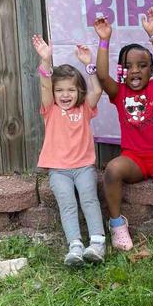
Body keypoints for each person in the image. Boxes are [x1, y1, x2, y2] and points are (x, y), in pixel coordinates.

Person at [93, 8, 153, 251]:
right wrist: (104, 39)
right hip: (134, 159)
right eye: (128, 66)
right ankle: (117, 224)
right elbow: (101, 75)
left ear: (151, 71)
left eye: (142, 66)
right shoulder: (118, 92)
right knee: (111, 170)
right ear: (121, 71)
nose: (135, 70)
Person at [32, 35, 106, 264]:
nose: (65, 95)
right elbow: (45, 84)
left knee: (89, 200)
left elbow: (98, 91)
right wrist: (46, 61)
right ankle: (75, 246)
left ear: (79, 92)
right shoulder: (51, 109)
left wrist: (89, 65)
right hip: (59, 170)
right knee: (67, 204)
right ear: (53, 94)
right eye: (60, 90)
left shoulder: (85, 108)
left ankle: (97, 244)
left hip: (83, 167)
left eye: (71, 90)